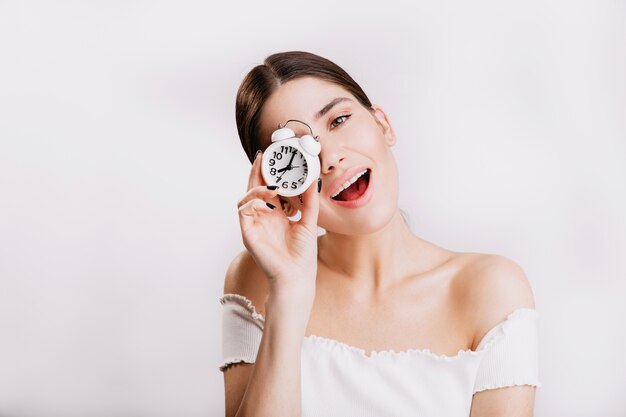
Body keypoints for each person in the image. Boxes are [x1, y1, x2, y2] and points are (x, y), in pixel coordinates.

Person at [219, 51, 540, 417]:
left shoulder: (491, 287)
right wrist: (289, 291)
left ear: (383, 125)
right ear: (280, 190)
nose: (330, 157)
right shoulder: (257, 278)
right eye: (295, 152)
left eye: (339, 120)